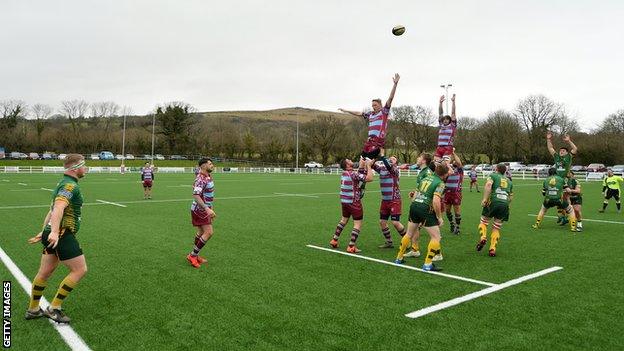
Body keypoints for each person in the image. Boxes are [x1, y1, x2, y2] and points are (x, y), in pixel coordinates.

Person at [25, 154, 88, 324]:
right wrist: (53, 231)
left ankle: (33, 309)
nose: (86, 169)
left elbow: (52, 209)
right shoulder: (69, 185)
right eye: (84, 165)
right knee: (80, 269)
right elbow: (59, 207)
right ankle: (54, 308)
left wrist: (44, 231)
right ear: (75, 168)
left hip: (53, 233)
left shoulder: (63, 183)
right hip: (62, 234)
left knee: (44, 273)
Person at [395, 163, 448, 271]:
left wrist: (415, 204)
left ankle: (399, 258)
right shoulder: (440, 183)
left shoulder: (426, 178)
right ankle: (428, 264)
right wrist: (439, 217)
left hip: (414, 205)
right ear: (445, 174)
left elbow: (415, 194)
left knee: (409, 234)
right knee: (436, 237)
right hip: (425, 208)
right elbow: (436, 201)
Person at [338, 73, 400, 161]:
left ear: (380, 105)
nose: (373, 107)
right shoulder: (370, 114)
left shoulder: (384, 112)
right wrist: (346, 110)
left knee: (368, 162)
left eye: (375, 105)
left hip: (377, 141)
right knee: (362, 161)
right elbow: (359, 113)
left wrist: (395, 84)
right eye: (372, 105)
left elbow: (390, 98)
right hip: (369, 141)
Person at [330, 157, 373, 253]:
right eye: (349, 160)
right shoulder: (353, 174)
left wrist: (362, 162)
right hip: (353, 202)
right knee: (357, 223)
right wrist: (369, 166)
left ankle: (334, 240)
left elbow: (359, 174)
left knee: (343, 220)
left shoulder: (345, 173)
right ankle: (351, 246)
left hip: (344, 201)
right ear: (347, 165)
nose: (351, 160)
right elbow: (369, 178)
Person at [476, 163, 513, 257]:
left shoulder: (492, 175)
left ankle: (483, 237)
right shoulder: (509, 181)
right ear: (505, 171)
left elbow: (488, 185)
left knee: (483, 221)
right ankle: (492, 249)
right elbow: (511, 196)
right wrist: (507, 206)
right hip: (504, 204)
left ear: (496, 169)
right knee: (496, 227)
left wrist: (485, 199)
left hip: (493, 201)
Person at [403, 152, 433, 258]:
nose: (417, 158)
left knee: (432, 230)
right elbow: (421, 188)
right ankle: (415, 249)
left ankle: (437, 252)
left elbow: (429, 189)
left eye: (419, 157)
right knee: (415, 227)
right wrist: (414, 193)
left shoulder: (428, 173)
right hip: (418, 204)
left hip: (424, 205)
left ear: (424, 160)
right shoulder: (422, 172)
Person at [187, 158, 216, 268]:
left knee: (200, 231)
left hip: (204, 210)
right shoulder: (201, 179)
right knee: (208, 232)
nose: (212, 165)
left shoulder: (207, 176)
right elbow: (196, 195)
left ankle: (195, 254)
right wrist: (207, 209)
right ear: (203, 166)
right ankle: (192, 255)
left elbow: (208, 195)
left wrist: (210, 208)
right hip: (200, 210)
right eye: (210, 164)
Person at [372, 155, 406, 248]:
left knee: (395, 223)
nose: (391, 159)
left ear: (396, 163)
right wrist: (371, 155)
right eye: (390, 158)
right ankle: (389, 242)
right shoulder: (382, 169)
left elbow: (389, 166)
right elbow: (372, 165)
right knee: (382, 222)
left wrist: (383, 157)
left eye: (394, 158)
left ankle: (407, 241)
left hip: (394, 199)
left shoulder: (395, 170)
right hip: (385, 200)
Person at [532, 168, 578, 232]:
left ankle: (537, 224)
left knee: (542, 210)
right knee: (571, 210)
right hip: (559, 200)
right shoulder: (561, 179)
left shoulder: (546, 180)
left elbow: (543, 193)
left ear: (549, 173)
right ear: (556, 172)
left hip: (548, 200)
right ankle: (573, 227)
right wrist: (571, 192)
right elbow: (568, 190)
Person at [546, 132, 578, 224]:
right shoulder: (557, 157)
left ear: (567, 153)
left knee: (565, 199)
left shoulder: (568, 157)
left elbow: (575, 149)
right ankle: (562, 216)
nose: (561, 151)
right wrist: (548, 139)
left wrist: (569, 141)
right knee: (557, 199)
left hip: (565, 180)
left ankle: (571, 217)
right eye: (561, 150)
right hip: (557, 181)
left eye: (563, 150)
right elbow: (550, 148)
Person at [442, 152, 464, 235]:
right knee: (447, 211)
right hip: (447, 192)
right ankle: (452, 224)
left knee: (457, 211)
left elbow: (459, 163)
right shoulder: (448, 169)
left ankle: (457, 228)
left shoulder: (460, 170)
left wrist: (453, 153)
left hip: (456, 193)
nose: (454, 161)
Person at [435, 94, 457, 161]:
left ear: (450, 120)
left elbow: (453, 113)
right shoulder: (441, 125)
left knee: (445, 164)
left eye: (447, 119)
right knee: (437, 164)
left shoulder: (452, 125)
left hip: (447, 147)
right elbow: (440, 113)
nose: (445, 120)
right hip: (439, 147)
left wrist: (453, 102)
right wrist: (440, 103)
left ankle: (450, 170)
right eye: (444, 119)